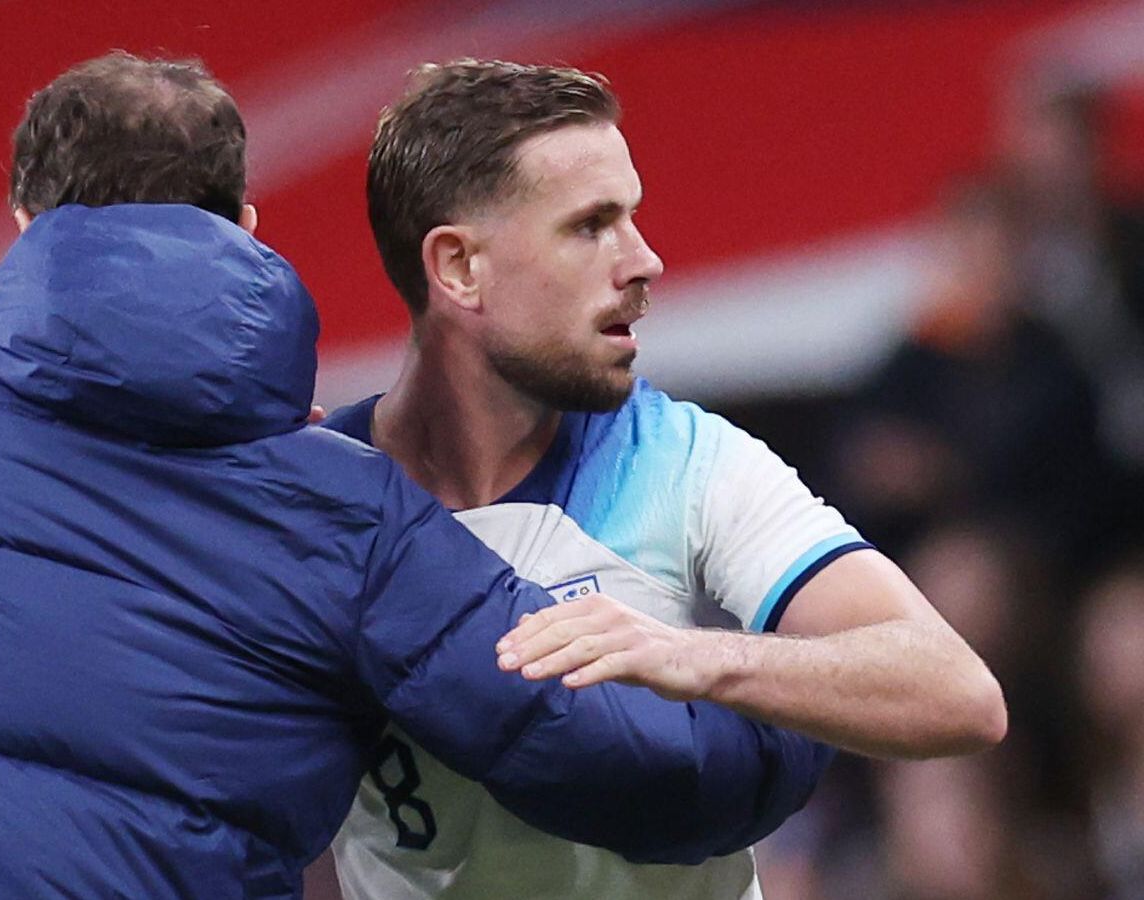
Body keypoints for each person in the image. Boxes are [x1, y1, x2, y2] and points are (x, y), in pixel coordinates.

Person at [0, 52, 832, 899]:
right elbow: (629, 775)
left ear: (26, 228)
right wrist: (794, 712)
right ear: (248, 229)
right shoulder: (346, 508)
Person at [324, 59, 1007, 899]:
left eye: (633, 218)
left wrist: (685, 657)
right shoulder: (318, 499)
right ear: (460, 267)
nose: (644, 261)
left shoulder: (677, 458)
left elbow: (957, 692)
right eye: (590, 226)